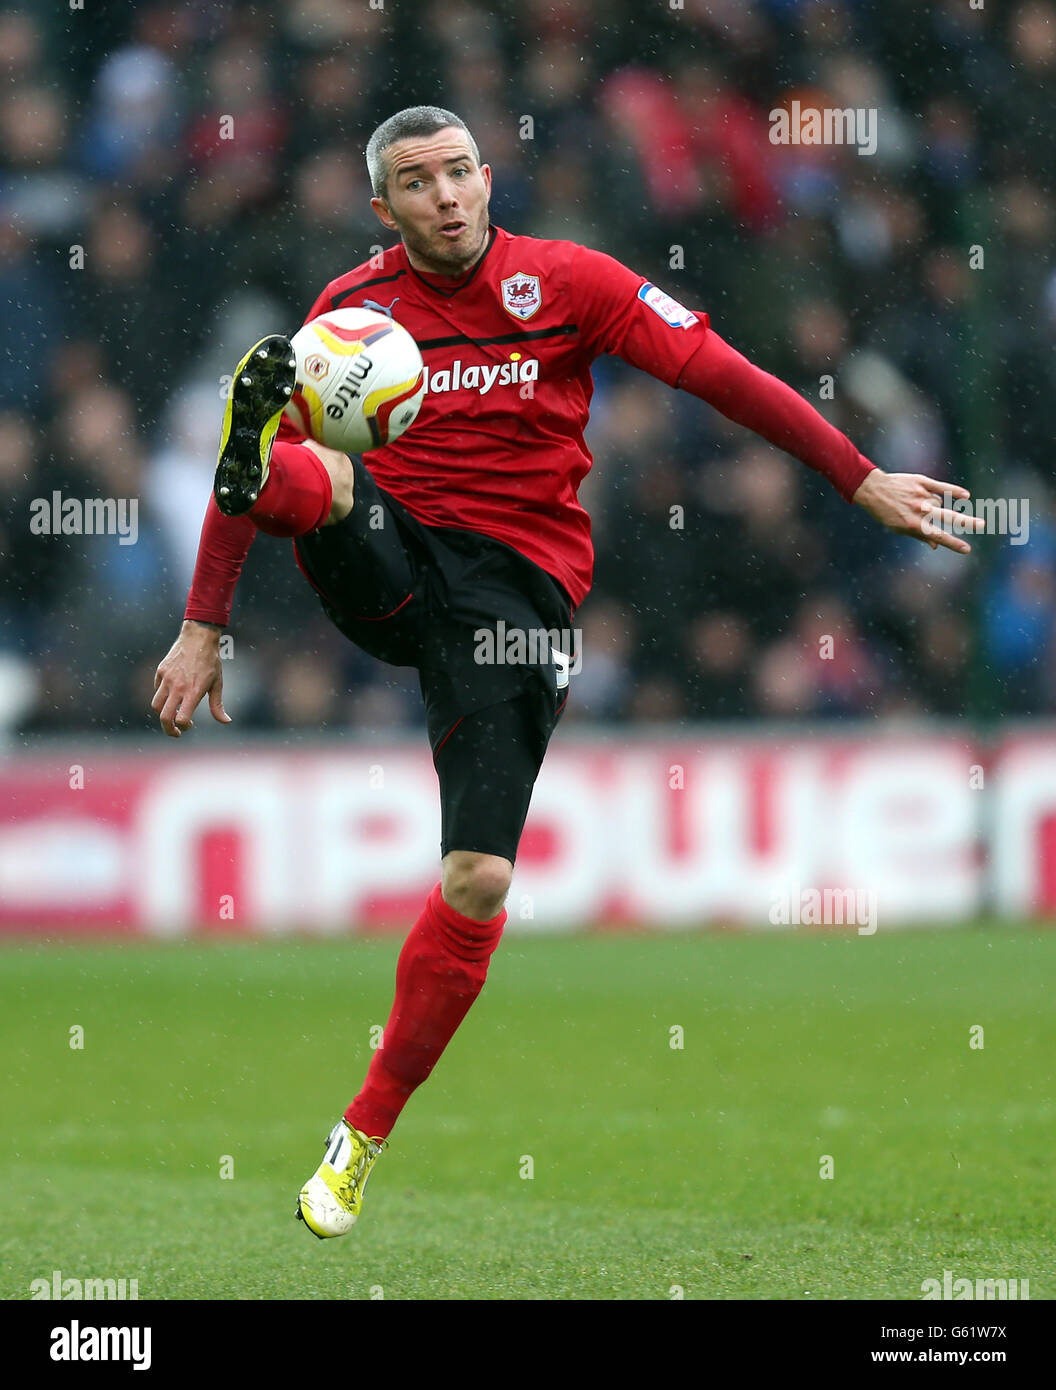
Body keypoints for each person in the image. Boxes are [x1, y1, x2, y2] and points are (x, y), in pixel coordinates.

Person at [151, 105, 981, 1239]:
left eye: (458, 172)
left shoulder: (571, 282)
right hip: (393, 557)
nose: (445, 196)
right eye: (416, 182)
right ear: (383, 207)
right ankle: (268, 473)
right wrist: (203, 625)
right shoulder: (351, 316)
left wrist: (857, 475)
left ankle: (360, 1137)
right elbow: (256, 448)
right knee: (314, 471)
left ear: (489, 179)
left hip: (515, 602)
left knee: (479, 880)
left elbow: (721, 374)